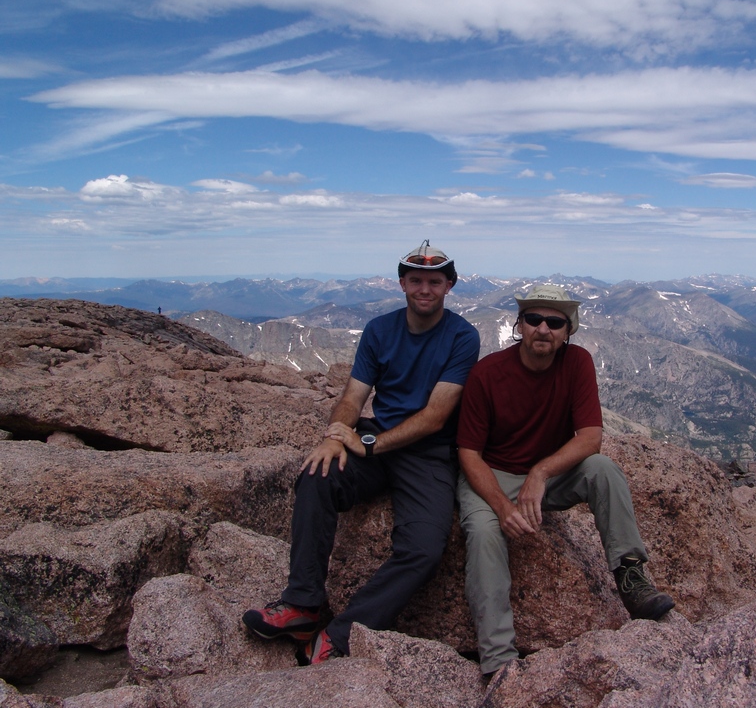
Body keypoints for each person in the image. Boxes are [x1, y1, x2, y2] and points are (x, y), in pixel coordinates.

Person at [243, 240, 480, 663]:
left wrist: (368, 444)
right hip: (377, 442)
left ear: (449, 286)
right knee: (317, 475)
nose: (424, 289)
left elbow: (435, 416)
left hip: (426, 454)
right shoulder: (378, 330)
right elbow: (353, 396)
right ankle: (302, 604)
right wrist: (336, 435)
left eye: (434, 282)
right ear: (403, 283)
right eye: (416, 281)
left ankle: (342, 633)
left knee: (424, 549)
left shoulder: (462, 336)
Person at [456, 283, 675, 677]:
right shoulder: (487, 374)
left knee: (603, 470)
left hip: (546, 475)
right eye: (534, 319)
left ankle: (631, 577)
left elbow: (591, 438)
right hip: (492, 474)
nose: (544, 329)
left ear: (568, 330)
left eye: (555, 322)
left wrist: (541, 473)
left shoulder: (578, 363)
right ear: (519, 325)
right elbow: (468, 453)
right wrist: (504, 507)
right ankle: (498, 661)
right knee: (486, 534)